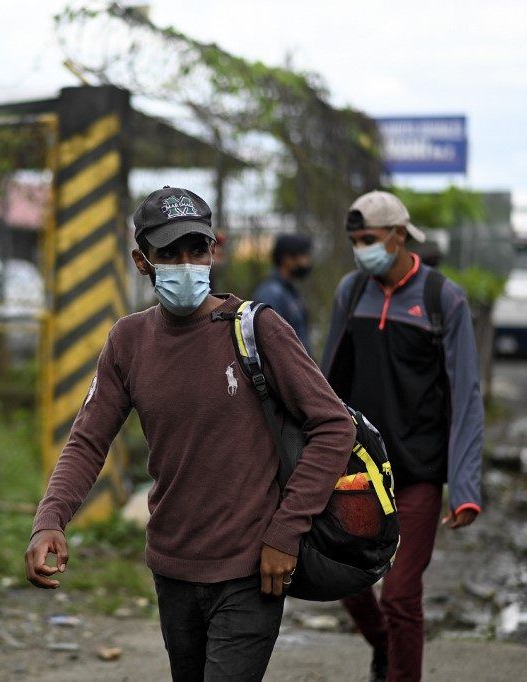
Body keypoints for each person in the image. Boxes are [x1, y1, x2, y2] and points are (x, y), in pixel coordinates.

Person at [25, 186, 356, 681]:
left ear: (213, 251)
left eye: (196, 250)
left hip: (250, 569)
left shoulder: (255, 330)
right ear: (142, 262)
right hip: (173, 567)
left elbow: (334, 426)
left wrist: (286, 532)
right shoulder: (128, 341)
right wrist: (50, 519)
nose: (186, 263)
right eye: (169, 253)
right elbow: (89, 439)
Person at [321, 190, 483, 682]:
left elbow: (466, 397)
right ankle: (385, 647)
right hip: (358, 472)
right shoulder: (351, 293)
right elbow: (326, 384)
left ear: (398, 234)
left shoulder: (442, 300)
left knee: (401, 595)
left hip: (417, 474)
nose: (360, 249)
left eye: (368, 238)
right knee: (344, 579)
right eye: (354, 240)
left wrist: (466, 486)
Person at [252, 233, 314, 352]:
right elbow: (272, 344)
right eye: (303, 256)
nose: (307, 262)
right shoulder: (270, 294)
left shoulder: (289, 291)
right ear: (287, 259)